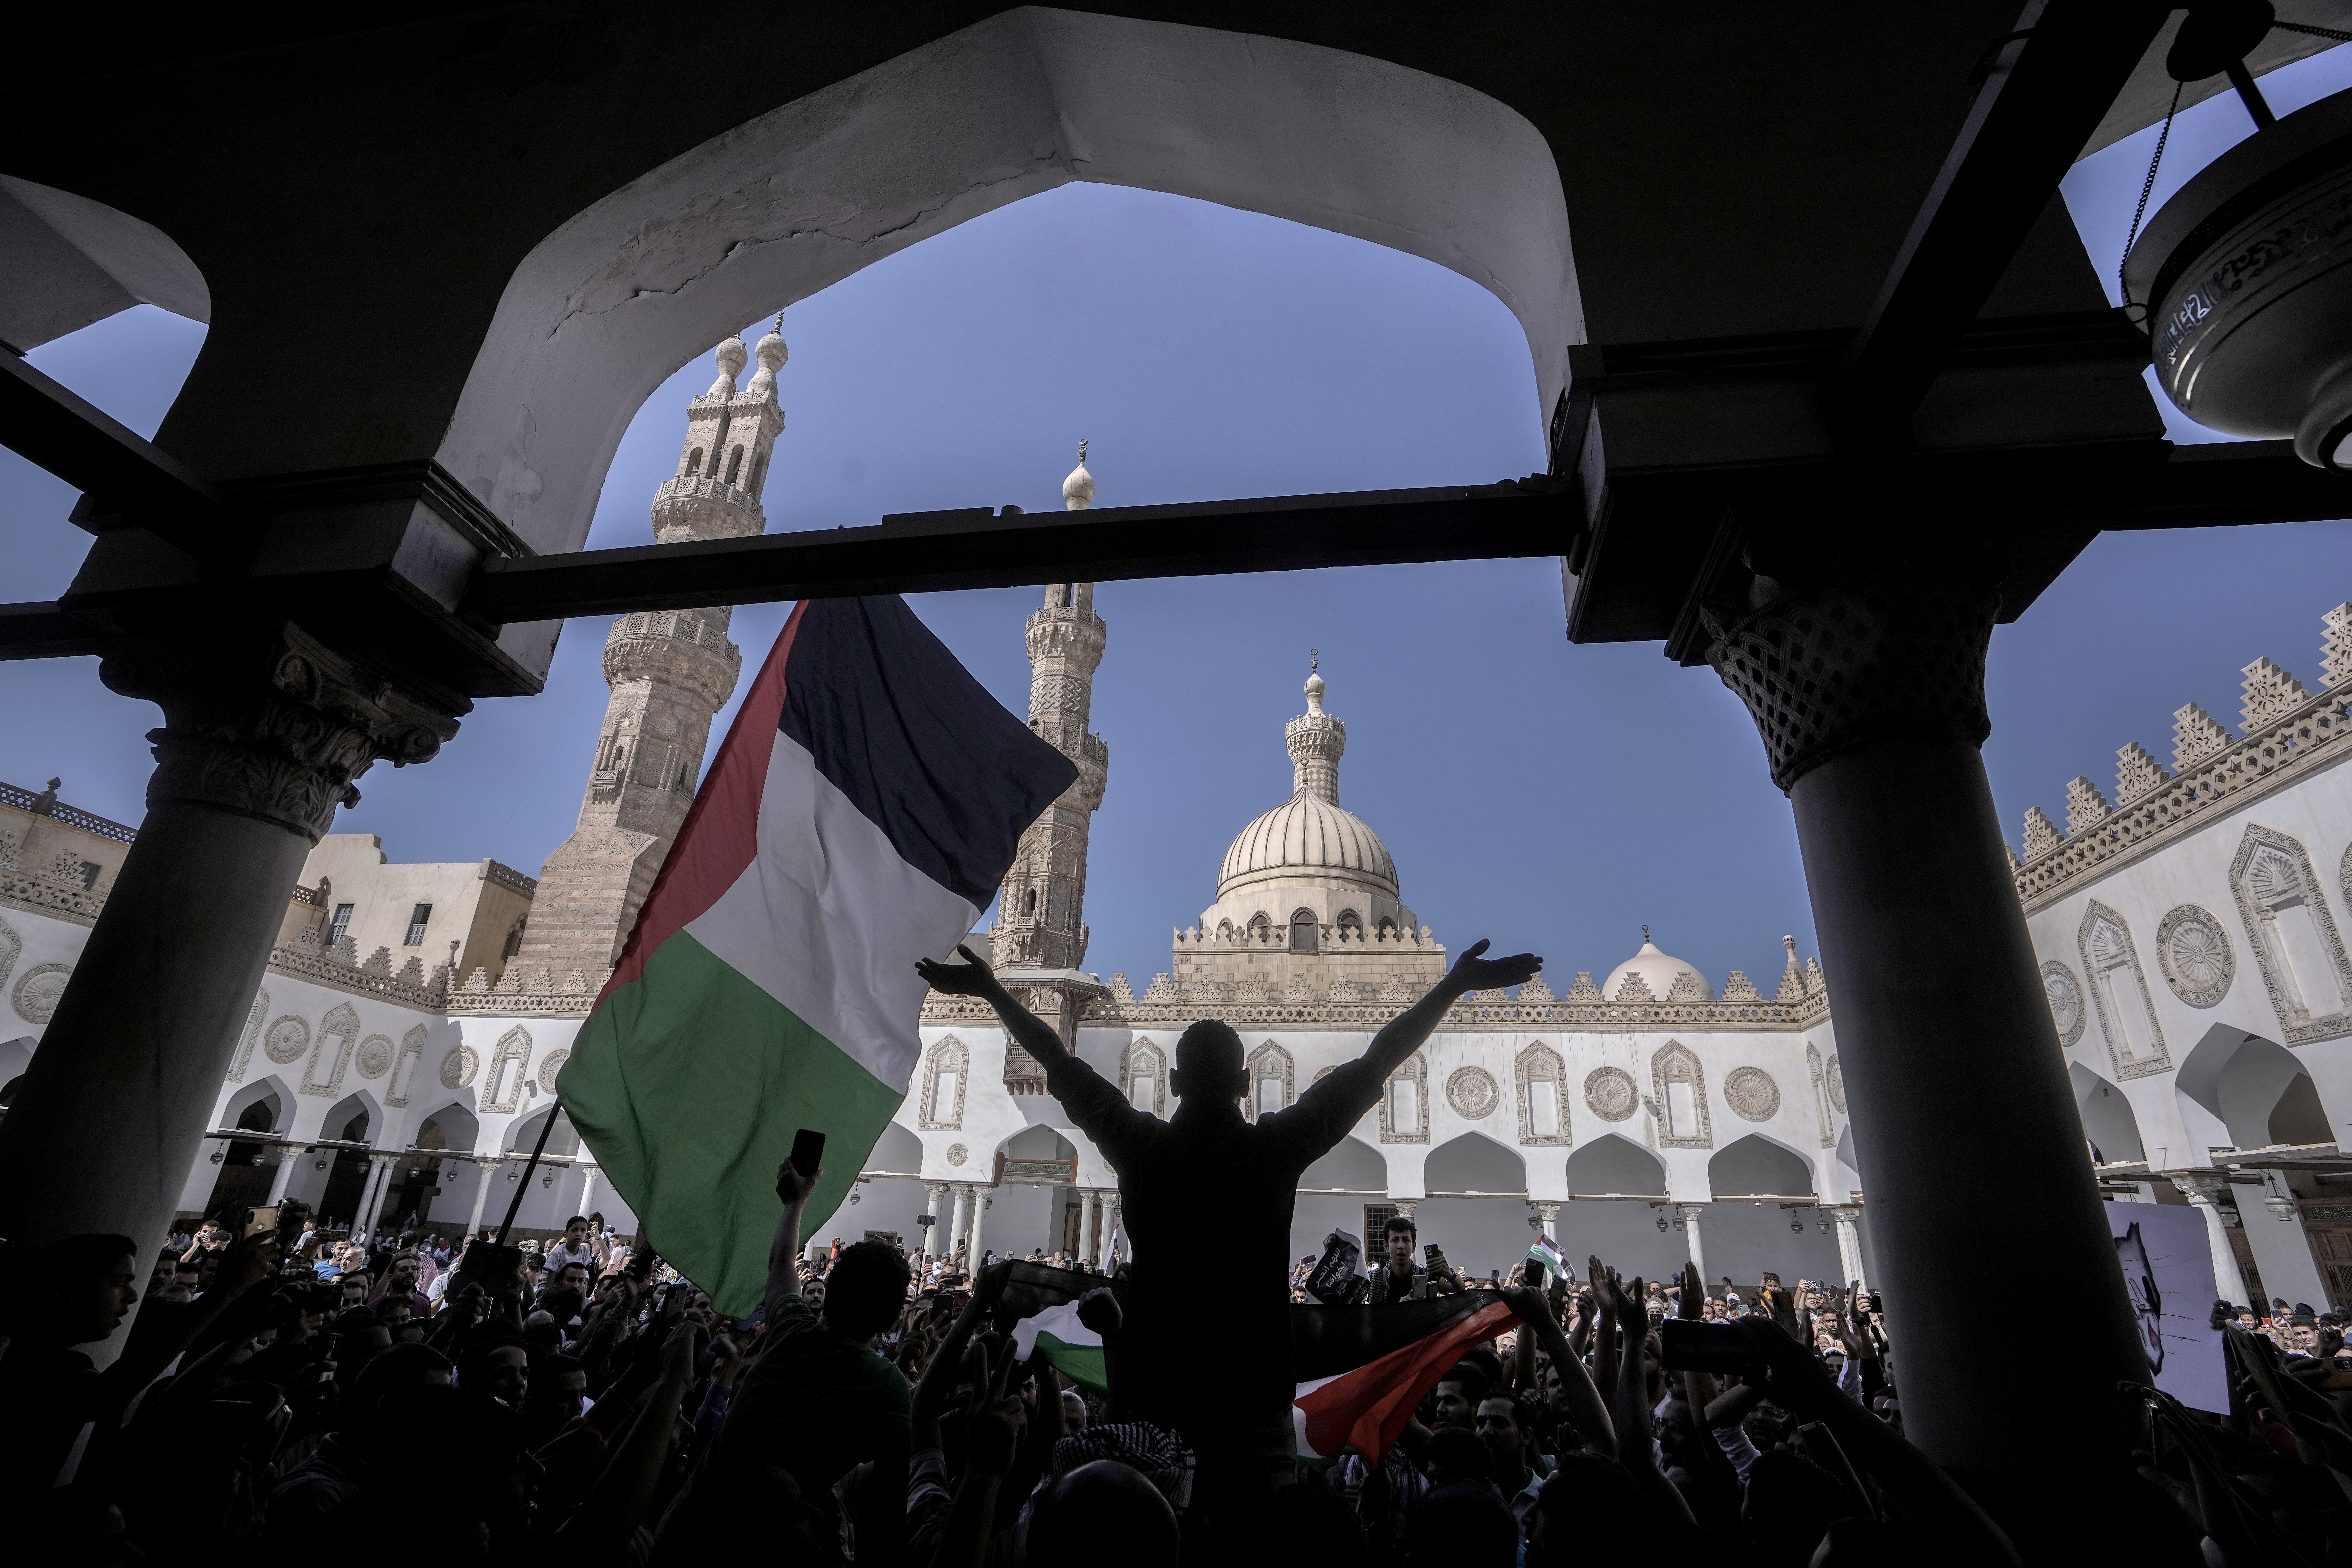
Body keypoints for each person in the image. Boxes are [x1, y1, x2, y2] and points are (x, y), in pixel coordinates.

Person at [916, 933, 1541, 1523]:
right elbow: (1378, 1059)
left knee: (1148, 1539)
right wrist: (1453, 985)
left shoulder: (1139, 1146)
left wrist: (994, 991)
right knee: (1253, 1546)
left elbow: (1055, 1059)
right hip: (1253, 1403)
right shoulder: (1275, 1148)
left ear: (1174, 1082)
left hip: (1155, 1399)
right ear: (1247, 1084)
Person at [657, 1156, 911, 1560]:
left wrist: (796, 1202)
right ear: (895, 1316)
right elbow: (895, 1495)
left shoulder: (792, 1332)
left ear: (830, 1292)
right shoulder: (888, 1388)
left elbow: (779, 1265)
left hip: (687, 1537)